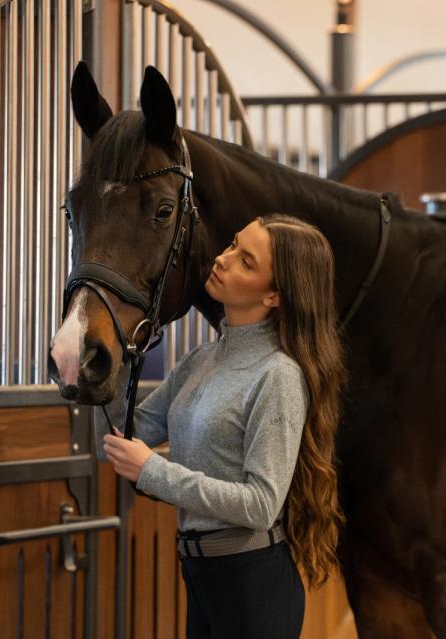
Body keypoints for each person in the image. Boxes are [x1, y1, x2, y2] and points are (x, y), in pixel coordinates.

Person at [96, 213, 347, 638]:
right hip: (200, 572)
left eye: (246, 262)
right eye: (232, 244)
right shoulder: (200, 360)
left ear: (274, 297)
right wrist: (94, 368)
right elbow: (124, 434)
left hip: (252, 581)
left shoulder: (278, 376)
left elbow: (261, 505)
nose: (224, 259)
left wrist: (154, 471)